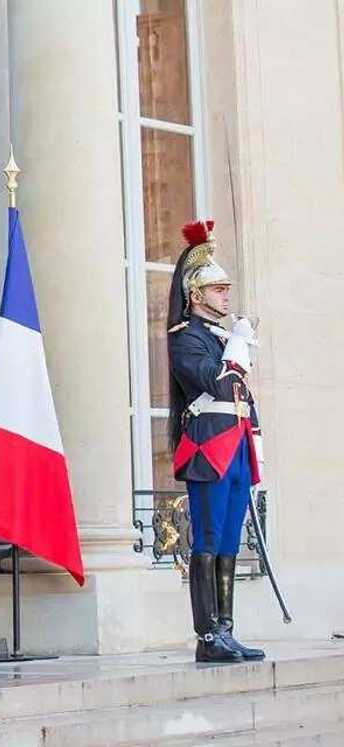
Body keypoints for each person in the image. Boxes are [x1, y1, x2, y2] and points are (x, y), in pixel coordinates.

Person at [167, 219, 265, 663]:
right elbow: (216, 381)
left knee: (229, 541)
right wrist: (238, 348)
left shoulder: (222, 336)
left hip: (237, 447)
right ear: (196, 294)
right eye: (217, 288)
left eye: (226, 288)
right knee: (207, 539)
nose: (226, 294)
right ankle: (207, 637)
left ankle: (226, 630)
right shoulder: (186, 338)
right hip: (209, 449)